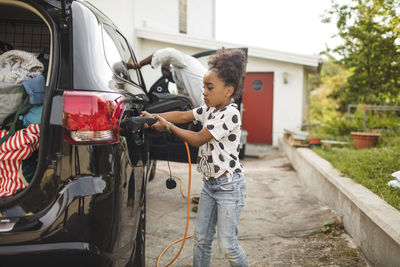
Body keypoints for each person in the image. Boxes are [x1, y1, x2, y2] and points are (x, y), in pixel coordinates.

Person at [142, 47, 248, 267]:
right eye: (204, 87)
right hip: (210, 186)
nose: (204, 92)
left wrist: (169, 127)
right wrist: (154, 116)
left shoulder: (230, 113)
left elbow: (199, 138)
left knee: (227, 246)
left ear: (228, 90)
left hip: (229, 187)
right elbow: (182, 114)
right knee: (201, 240)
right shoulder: (209, 109)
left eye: (210, 88)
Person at [130, 47, 206, 107]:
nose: (170, 81)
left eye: (167, 77)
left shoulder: (186, 62)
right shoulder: (181, 79)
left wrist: (137, 65)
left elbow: (169, 53)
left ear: (167, 69)